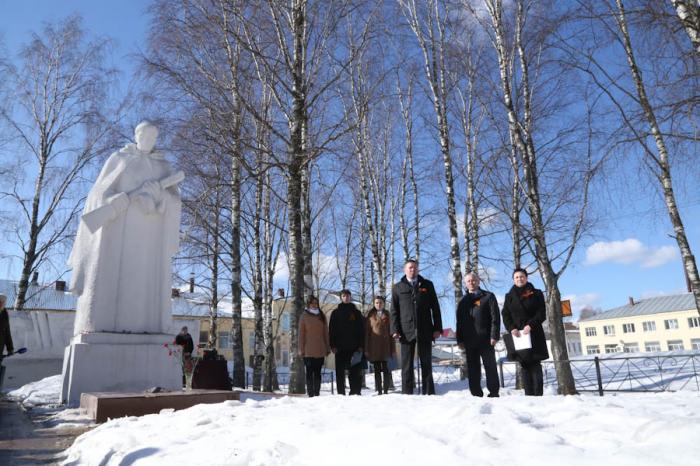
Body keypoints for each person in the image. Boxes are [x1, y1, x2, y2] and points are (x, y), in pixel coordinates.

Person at [69, 121, 182, 335]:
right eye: (145, 136)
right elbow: (96, 195)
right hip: (117, 233)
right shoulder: (119, 159)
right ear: (136, 136)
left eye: (153, 138)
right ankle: (102, 325)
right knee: (111, 280)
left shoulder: (163, 167)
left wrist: (157, 199)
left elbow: (174, 201)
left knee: (142, 284)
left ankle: (146, 328)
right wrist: (113, 200)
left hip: (149, 238)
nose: (148, 141)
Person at [390, 259, 442, 395]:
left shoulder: (427, 285)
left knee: (426, 363)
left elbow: (435, 308)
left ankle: (429, 392)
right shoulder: (398, 287)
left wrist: (437, 328)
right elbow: (394, 311)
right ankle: (407, 394)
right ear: (405, 270)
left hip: (425, 329)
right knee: (406, 366)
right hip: (406, 332)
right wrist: (395, 330)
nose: (412, 270)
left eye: (415, 268)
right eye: (410, 268)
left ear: (418, 269)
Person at [501, 268, 549, 396]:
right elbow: (505, 314)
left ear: (526, 278)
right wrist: (511, 328)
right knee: (524, 366)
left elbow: (541, 313)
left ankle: (538, 396)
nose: (519, 279)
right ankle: (528, 396)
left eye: (522, 276)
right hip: (519, 335)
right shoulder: (509, 296)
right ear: (513, 280)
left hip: (533, 333)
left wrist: (530, 325)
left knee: (535, 365)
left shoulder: (537, 293)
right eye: (516, 277)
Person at [456, 273, 500, 397]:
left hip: (486, 339)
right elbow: (459, 322)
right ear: (466, 283)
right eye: (468, 281)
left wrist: (494, 335)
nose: (471, 282)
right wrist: (460, 340)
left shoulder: (488, 296)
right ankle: (476, 393)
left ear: (478, 281)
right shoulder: (463, 301)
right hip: (469, 340)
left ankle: (494, 392)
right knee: (473, 369)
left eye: (473, 280)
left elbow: (495, 317)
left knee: (490, 367)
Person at [329, 289, 364, 395]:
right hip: (339, 348)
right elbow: (331, 330)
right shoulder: (335, 313)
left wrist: (361, 345)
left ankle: (355, 392)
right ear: (341, 298)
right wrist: (333, 345)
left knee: (354, 372)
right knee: (340, 373)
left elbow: (361, 330)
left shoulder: (356, 313)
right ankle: (341, 393)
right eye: (344, 296)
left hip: (354, 348)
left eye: (348, 296)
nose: (346, 298)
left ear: (350, 297)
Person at [298, 295, 330, 397]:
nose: (315, 305)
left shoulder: (322, 316)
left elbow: (326, 333)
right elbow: (301, 334)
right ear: (309, 304)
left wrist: (327, 347)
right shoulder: (304, 316)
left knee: (317, 373)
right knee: (309, 372)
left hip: (320, 348)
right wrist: (301, 349)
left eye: (316, 303)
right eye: (312, 303)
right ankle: (310, 394)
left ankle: (317, 393)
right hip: (308, 350)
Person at [364, 296, 395, 395]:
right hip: (374, 347)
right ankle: (379, 391)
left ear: (383, 303)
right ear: (374, 304)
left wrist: (393, 348)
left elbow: (392, 333)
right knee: (377, 370)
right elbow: (367, 334)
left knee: (386, 370)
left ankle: (386, 390)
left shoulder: (388, 315)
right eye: (376, 303)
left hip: (386, 346)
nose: (378, 304)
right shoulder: (370, 316)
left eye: (380, 302)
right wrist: (366, 348)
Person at [0, 294, 14, 389]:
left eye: (3, 302)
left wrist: (10, 348)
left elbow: (7, 332)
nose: (2, 304)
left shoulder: (4, 313)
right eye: (0, 302)